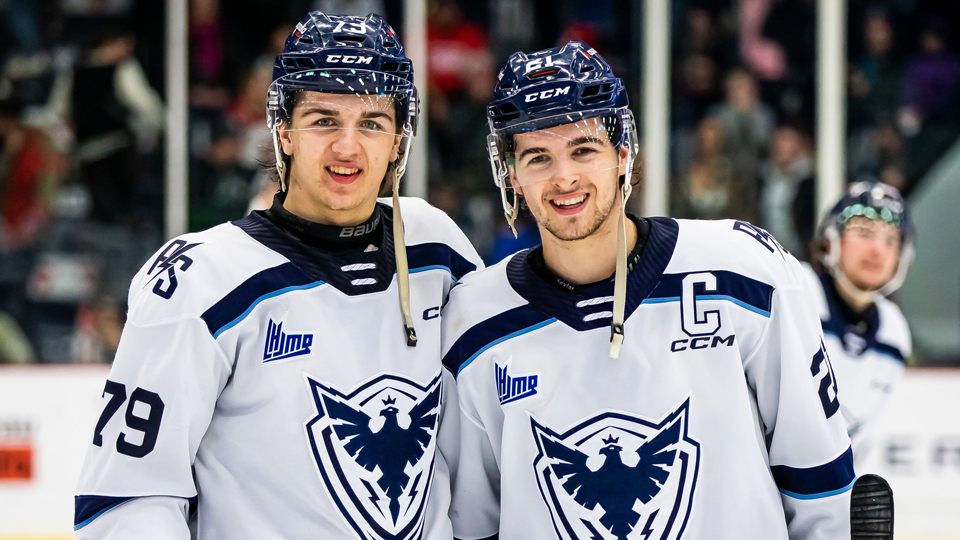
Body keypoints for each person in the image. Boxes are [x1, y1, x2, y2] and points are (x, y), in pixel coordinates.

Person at [74, 12, 481, 539]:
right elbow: (126, 497)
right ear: (283, 131)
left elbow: (489, 442)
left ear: (399, 139)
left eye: (372, 123)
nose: (347, 147)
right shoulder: (203, 279)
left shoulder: (436, 247)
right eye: (324, 120)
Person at [442, 41, 853, 540]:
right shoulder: (474, 319)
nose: (563, 176)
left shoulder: (742, 273)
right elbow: (474, 525)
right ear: (510, 173)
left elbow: (819, 482)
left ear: (622, 153)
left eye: (583, 149)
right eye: (537, 157)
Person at [804, 181, 913, 463]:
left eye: (891, 240)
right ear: (831, 239)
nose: (878, 250)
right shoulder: (795, 293)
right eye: (864, 233)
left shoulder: (894, 332)